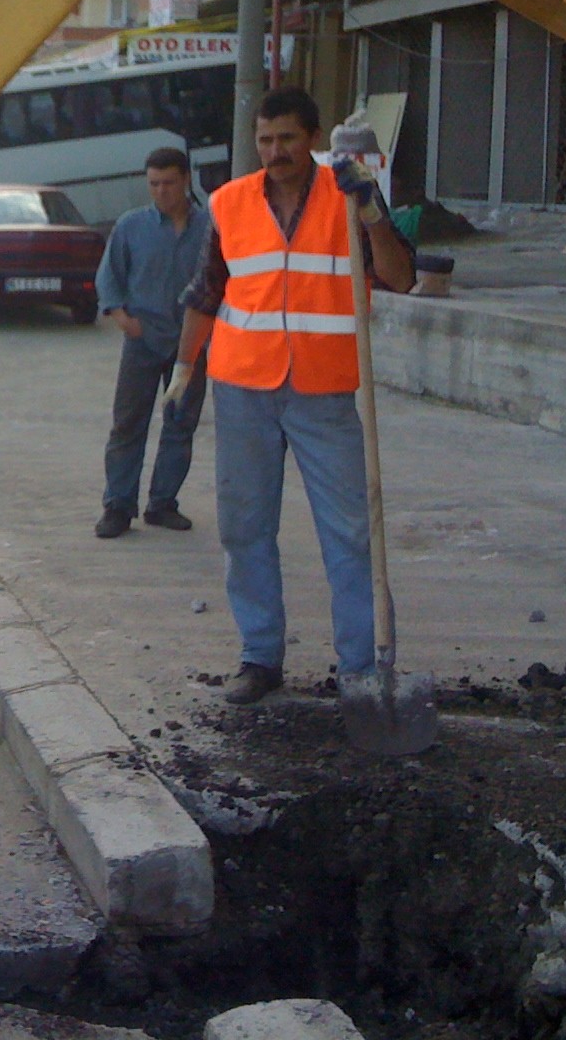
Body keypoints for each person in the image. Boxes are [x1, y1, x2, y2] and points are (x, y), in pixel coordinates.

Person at [165, 87, 413, 705]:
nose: (275, 152)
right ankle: (259, 655)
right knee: (245, 527)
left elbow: (401, 276)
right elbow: (206, 291)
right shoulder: (229, 203)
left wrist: (373, 213)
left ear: (314, 137)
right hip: (243, 387)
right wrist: (182, 367)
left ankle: (360, 666)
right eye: (265, 140)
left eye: (288, 140)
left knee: (352, 532)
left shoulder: (350, 192)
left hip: (323, 392)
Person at [94, 147, 211, 539]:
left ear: (187, 180)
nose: (161, 192)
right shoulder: (132, 226)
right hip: (143, 342)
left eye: (169, 183)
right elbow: (108, 278)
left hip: (191, 346)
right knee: (128, 424)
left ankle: (163, 503)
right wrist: (124, 320)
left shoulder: (211, 228)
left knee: (180, 424)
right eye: (154, 184)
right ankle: (118, 507)